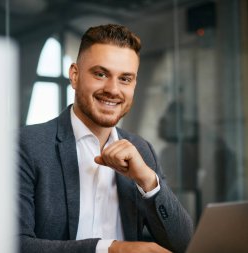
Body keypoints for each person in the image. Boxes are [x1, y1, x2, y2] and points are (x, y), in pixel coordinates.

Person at [18, 24, 193, 253]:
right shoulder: (26, 145)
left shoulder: (142, 150)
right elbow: (15, 243)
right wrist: (112, 249)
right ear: (74, 75)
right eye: (101, 74)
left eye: (125, 79)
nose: (113, 89)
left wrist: (149, 182)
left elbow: (185, 244)